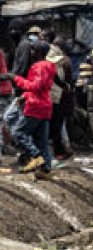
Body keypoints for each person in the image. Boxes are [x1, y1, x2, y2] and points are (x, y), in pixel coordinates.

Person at [0, 40, 55, 175]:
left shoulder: (38, 67)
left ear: (38, 52)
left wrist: (16, 78)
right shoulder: (50, 66)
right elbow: (41, 87)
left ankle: (36, 157)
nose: (30, 53)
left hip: (35, 106)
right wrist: (24, 95)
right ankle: (45, 168)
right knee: (41, 140)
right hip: (45, 105)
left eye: (33, 50)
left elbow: (35, 86)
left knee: (19, 132)